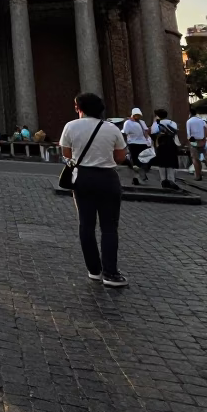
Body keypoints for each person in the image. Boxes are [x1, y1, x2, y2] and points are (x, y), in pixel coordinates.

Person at [60, 93, 129, 287]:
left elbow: (66, 153)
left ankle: (94, 270)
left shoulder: (71, 126)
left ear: (78, 108)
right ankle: (111, 273)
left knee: (86, 225)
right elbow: (121, 157)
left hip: (83, 177)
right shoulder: (111, 128)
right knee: (109, 227)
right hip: (108, 178)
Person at [153, 108, 190, 188]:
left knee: (162, 162)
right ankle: (171, 179)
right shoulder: (173, 123)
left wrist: (155, 122)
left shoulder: (158, 123)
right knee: (171, 161)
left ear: (158, 116)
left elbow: (153, 132)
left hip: (162, 143)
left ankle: (163, 180)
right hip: (172, 143)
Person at [186, 111, 207, 181]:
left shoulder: (189, 121)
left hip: (194, 141)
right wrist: (204, 138)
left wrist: (189, 140)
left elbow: (188, 133)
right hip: (202, 140)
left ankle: (198, 175)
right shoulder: (201, 121)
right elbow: (206, 128)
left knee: (195, 158)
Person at [122, 108, 152, 185]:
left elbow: (145, 132)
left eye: (138, 115)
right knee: (135, 162)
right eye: (136, 115)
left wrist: (148, 140)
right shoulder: (128, 122)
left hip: (142, 143)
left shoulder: (141, 122)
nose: (137, 117)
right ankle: (137, 177)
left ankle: (138, 177)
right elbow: (126, 132)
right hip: (133, 143)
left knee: (141, 161)